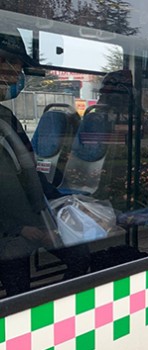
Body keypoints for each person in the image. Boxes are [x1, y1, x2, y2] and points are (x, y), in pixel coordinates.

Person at [0, 29, 89, 296]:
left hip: (32, 221)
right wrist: (19, 228)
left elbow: (26, 173)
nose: (17, 74)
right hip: (13, 231)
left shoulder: (5, 117)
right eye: (12, 65)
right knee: (19, 293)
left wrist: (62, 207)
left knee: (81, 255)